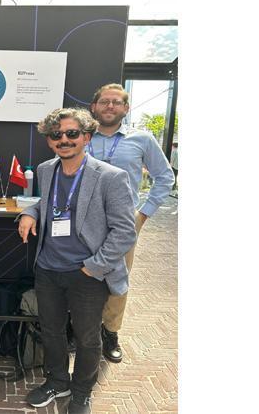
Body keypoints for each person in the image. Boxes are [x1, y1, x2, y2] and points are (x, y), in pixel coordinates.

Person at [17, 108, 136, 414]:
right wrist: (30, 212)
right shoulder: (46, 169)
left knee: (87, 337)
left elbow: (125, 231)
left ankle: (82, 391)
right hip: (48, 269)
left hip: (88, 273)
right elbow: (48, 204)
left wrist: (93, 268)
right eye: (56, 135)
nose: (64, 140)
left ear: (86, 137)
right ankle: (58, 381)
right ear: (49, 140)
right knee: (51, 330)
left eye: (72, 133)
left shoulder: (110, 177)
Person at [88, 83, 175, 363]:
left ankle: (110, 332)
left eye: (116, 102)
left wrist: (144, 213)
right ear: (94, 107)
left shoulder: (142, 139)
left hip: (124, 222)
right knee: (82, 274)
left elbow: (165, 177)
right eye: (104, 101)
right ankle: (82, 329)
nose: (110, 106)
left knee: (118, 277)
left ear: (126, 108)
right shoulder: (80, 136)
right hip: (83, 220)